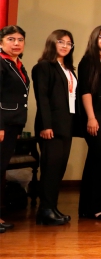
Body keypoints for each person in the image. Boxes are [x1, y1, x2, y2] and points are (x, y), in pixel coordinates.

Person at [32, 29, 78, 226]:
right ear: (52, 42)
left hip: (66, 125)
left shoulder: (68, 68)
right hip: (51, 126)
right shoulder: (44, 66)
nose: (65, 46)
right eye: (61, 42)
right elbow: (42, 98)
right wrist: (46, 125)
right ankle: (45, 210)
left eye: (69, 43)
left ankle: (52, 207)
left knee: (58, 169)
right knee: (50, 168)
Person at [77, 25, 101, 220]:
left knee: (100, 159)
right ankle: (93, 206)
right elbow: (85, 90)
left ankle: (89, 207)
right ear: (95, 38)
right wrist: (91, 117)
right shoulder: (88, 60)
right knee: (99, 157)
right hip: (95, 113)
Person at [0, 25, 29, 233]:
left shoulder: (18, 65)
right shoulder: (1, 63)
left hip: (13, 124)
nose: (16, 43)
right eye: (11, 39)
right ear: (1, 42)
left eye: (20, 39)